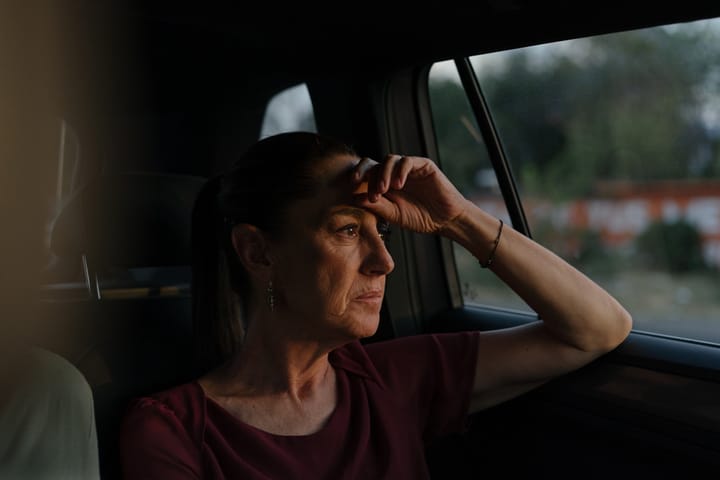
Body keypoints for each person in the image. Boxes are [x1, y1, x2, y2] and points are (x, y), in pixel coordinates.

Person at [119, 131, 632, 479]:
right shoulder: (173, 430)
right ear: (258, 252)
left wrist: (456, 219)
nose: (384, 261)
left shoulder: (393, 379)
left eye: (381, 232)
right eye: (347, 230)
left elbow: (598, 327)